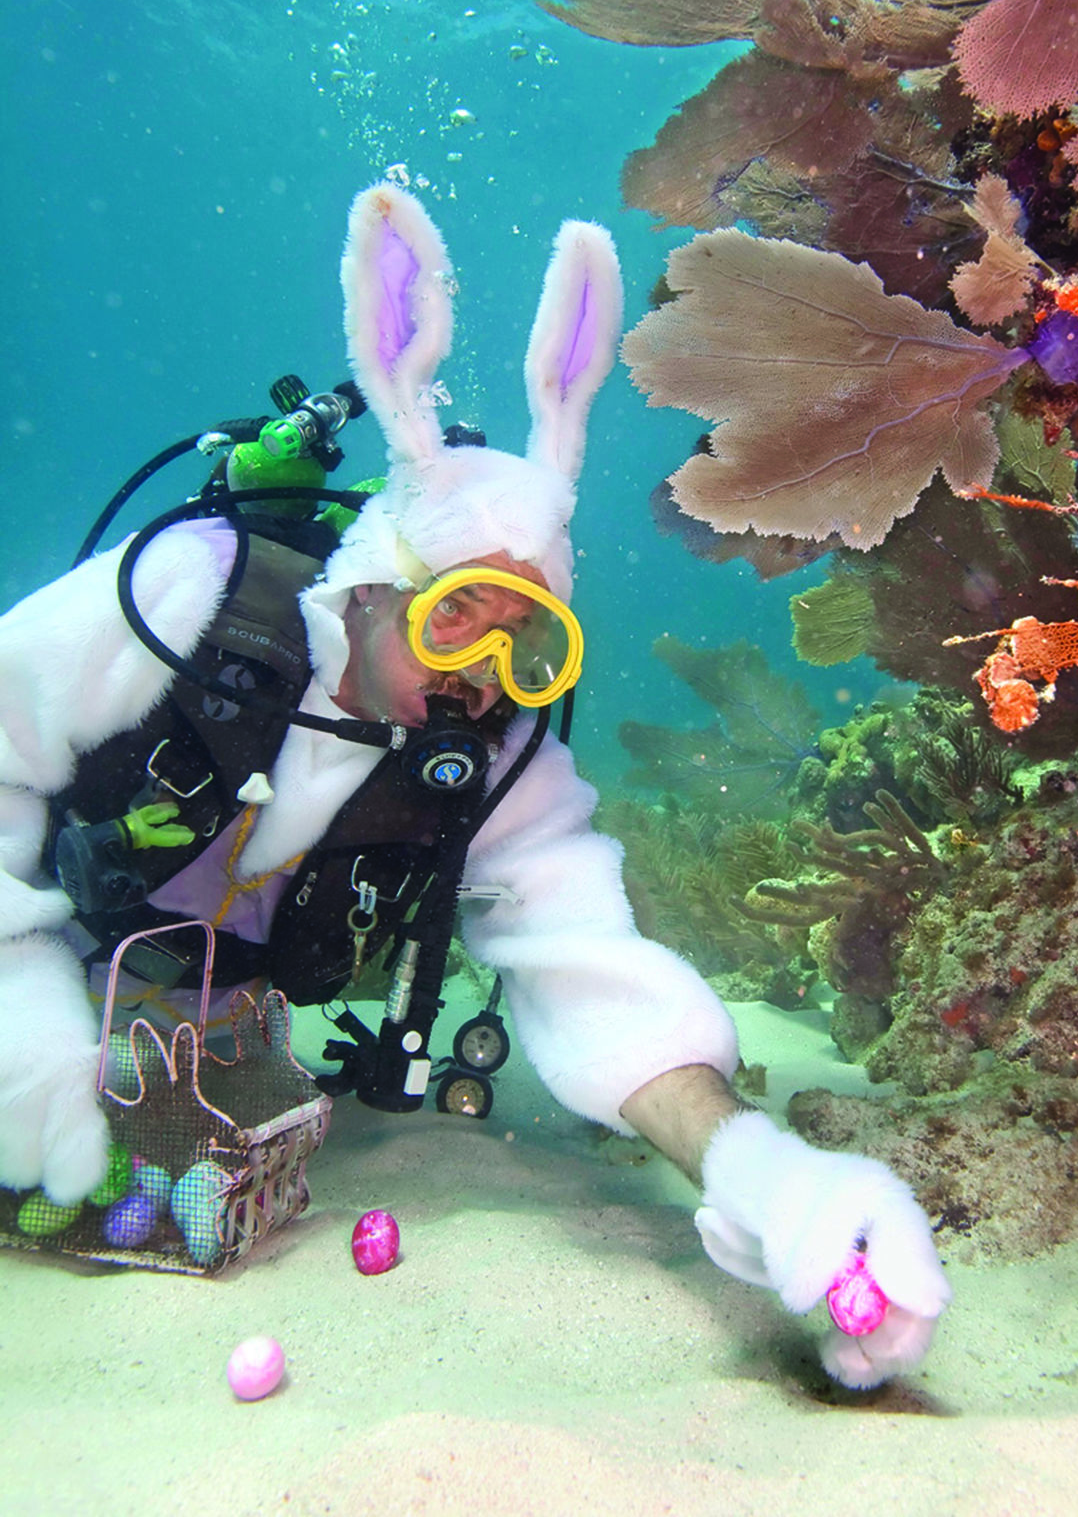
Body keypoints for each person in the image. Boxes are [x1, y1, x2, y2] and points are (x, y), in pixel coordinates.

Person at [0, 182, 949, 1390]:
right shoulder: (189, 598)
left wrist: (759, 1171)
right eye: (457, 622)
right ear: (374, 585)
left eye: (528, 643)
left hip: (195, 1052)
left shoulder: (497, 769)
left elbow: (593, 979)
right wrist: (20, 1010)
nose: (485, 681)